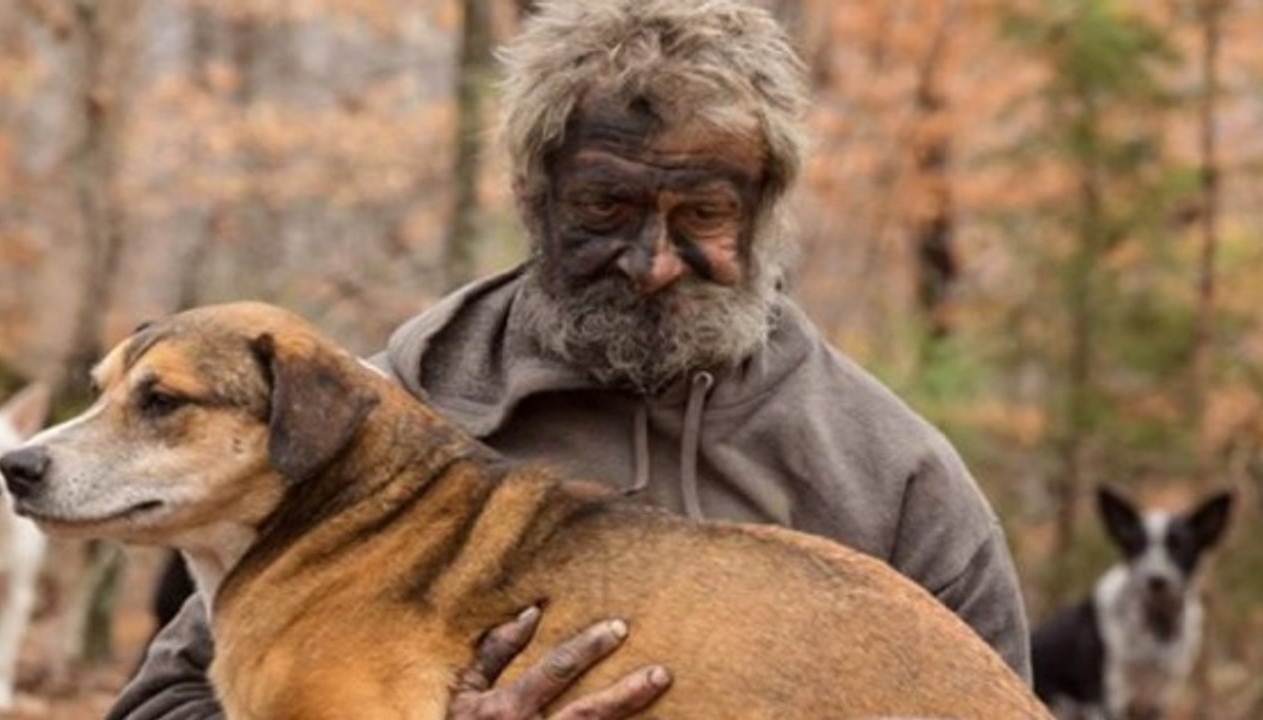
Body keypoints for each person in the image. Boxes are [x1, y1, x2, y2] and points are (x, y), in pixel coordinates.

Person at [108, 1, 1031, 718]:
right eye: (606, 210)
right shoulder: (368, 426)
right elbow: (160, 705)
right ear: (533, 193)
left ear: (765, 212)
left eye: (704, 214)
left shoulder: (893, 478)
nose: (654, 262)